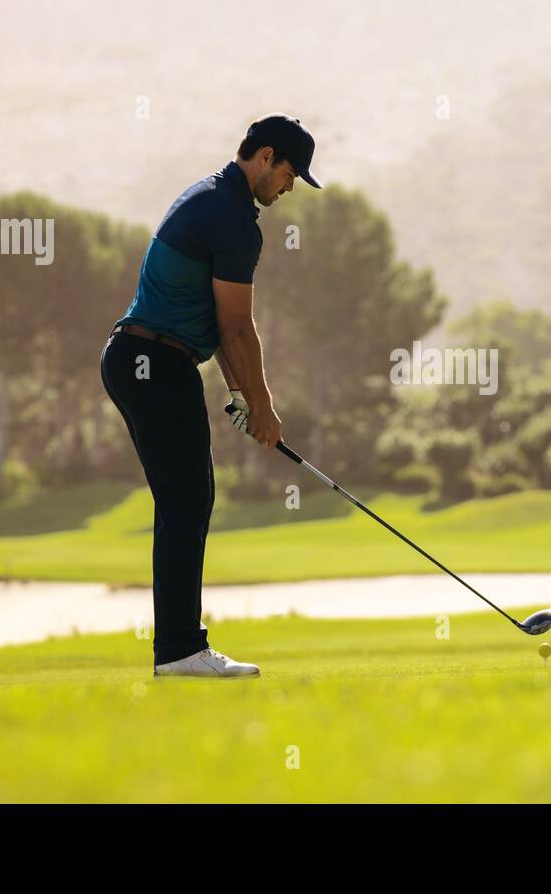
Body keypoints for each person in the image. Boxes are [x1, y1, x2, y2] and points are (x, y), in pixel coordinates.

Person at [99, 114, 322, 679]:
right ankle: (178, 651)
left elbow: (217, 323)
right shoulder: (233, 219)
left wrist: (237, 389)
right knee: (185, 502)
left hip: (142, 361)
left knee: (186, 500)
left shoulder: (211, 194)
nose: (291, 187)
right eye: (291, 173)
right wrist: (265, 407)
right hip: (154, 363)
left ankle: (179, 648)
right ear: (266, 157)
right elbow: (238, 328)